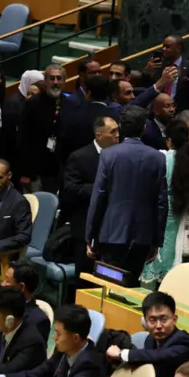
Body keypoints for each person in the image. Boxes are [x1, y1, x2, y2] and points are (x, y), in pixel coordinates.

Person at [86, 106, 168, 286]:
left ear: (121, 127)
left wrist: (90, 236)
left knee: (107, 285)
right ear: (144, 128)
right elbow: (161, 203)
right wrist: (156, 241)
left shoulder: (108, 155)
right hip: (143, 236)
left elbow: (98, 197)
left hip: (111, 233)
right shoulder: (158, 158)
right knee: (130, 286)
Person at [142, 119, 189, 285]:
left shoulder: (159, 157)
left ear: (168, 141)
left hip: (156, 223)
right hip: (181, 223)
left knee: (149, 280)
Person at [61, 115, 120, 291]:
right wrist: (100, 189)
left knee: (109, 280)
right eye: (113, 131)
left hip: (112, 229)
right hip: (85, 226)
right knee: (86, 281)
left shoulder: (120, 155)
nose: (118, 135)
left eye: (118, 130)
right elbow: (70, 189)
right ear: (99, 135)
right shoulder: (79, 157)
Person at [142, 35, 189, 114]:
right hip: (157, 113)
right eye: (163, 46)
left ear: (178, 49)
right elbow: (147, 89)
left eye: (167, 47)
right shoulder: (157, 65)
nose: (163, 49)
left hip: (180, 115)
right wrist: (146, 73)